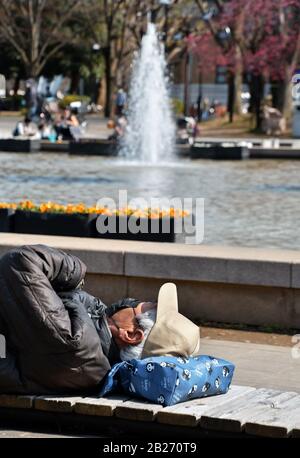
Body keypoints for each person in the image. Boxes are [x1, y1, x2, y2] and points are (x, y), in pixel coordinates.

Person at [0, 245, 200, 395]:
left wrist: (76, 272)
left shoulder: (75, 340)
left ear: (131, 334)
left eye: (144, 304)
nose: (134, 301)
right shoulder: (95, 350)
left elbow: (21, 262)